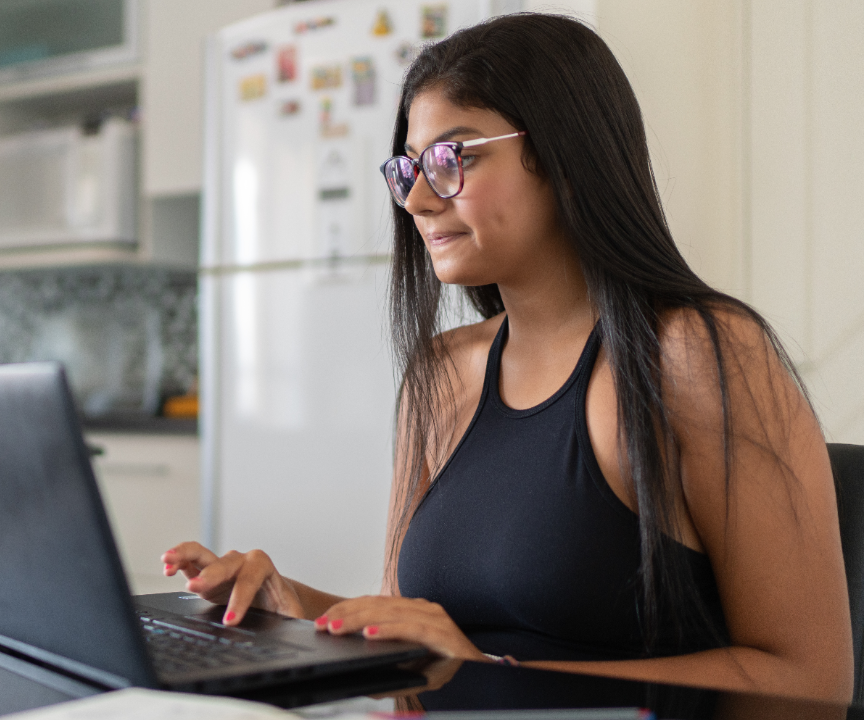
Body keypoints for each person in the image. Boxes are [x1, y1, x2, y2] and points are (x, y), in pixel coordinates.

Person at [163, 13, 854, 705]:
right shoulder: (439, 373)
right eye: (409, 166)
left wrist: (492, 676)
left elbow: (810, 684)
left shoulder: (699, 357)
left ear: (565, 154)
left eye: (453, 158)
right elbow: (412, 632)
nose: (416, 198)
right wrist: (291, 607)